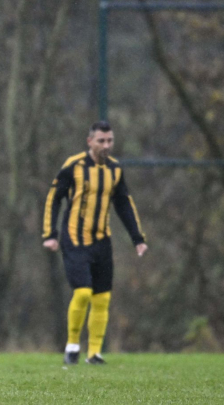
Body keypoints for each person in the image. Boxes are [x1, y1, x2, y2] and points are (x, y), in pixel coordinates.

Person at [42, 121, 148, 365]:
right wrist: (50, 233)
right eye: (101, 141)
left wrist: (137, 239)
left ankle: (94, 353)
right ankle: (71, 347)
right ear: (90, 141)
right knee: (83, 292)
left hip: (102, 240)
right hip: (74, 239)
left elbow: (123, 204)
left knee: (102, 298)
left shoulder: (115, 170)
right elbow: (53, 198)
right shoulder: (74, 166)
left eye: (110, 140)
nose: (106, 145)